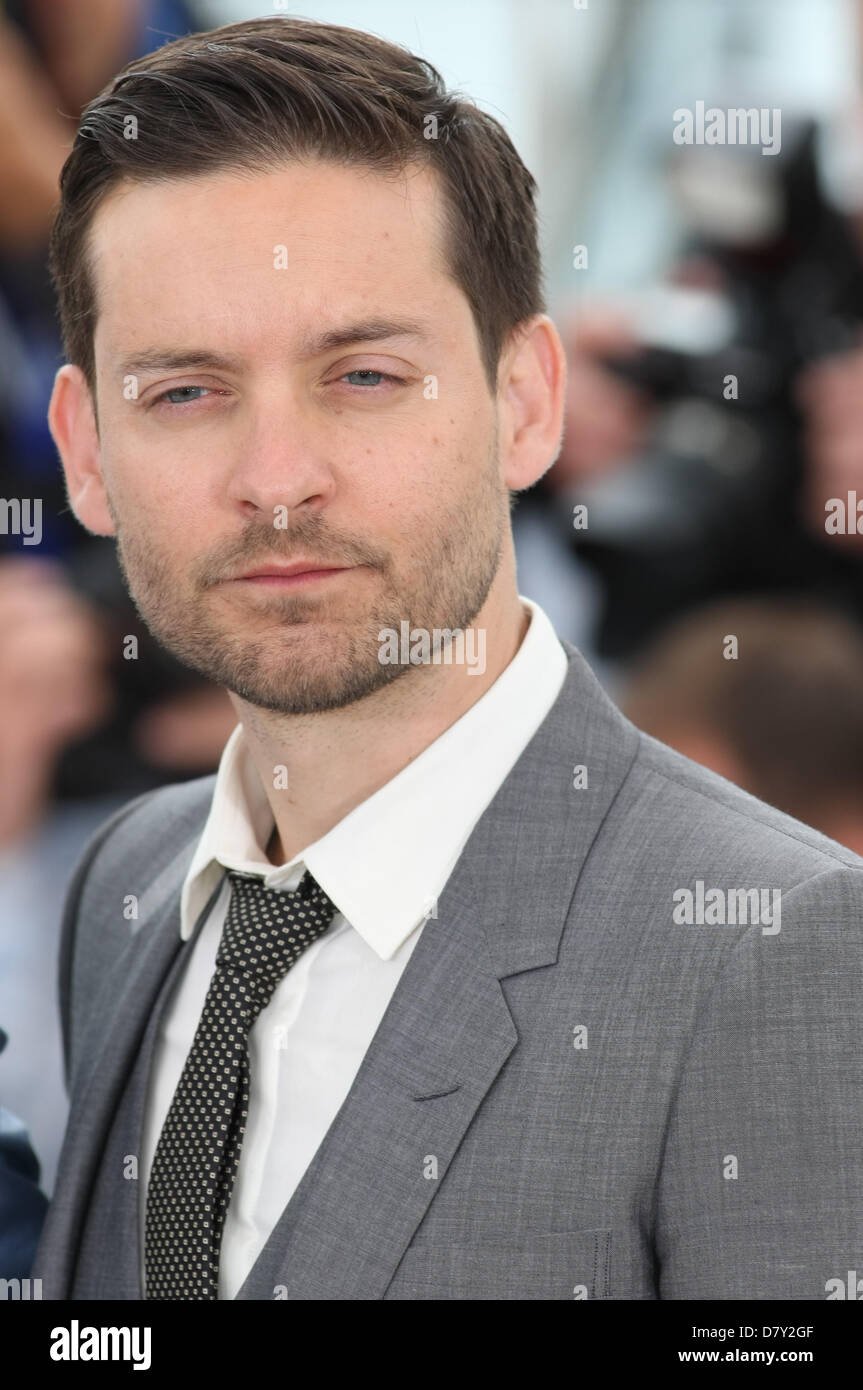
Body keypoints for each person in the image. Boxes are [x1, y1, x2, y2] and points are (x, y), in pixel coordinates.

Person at [33, 16, 863, 1301]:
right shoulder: (131, 883)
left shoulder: (777, 948)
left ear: (525, 399)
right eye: (184, 392)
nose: (275, 485)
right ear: (84, 452)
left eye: (363, 375)